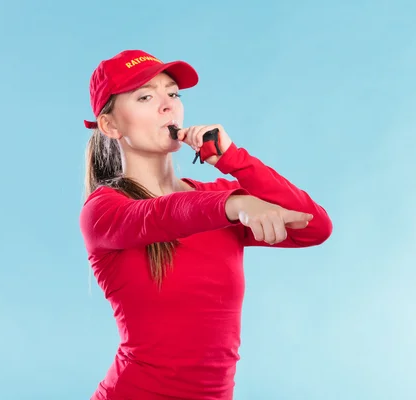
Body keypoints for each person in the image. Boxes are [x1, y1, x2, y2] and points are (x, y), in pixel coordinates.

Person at [78, 49, 333, 400]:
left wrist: (234, 160)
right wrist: (234, 203)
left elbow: (315, 227)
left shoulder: (220, 202)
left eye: (172, 93)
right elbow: (161, 215)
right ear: (111, 125)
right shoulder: (104, 211)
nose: (168, 105)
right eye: (146, 96)